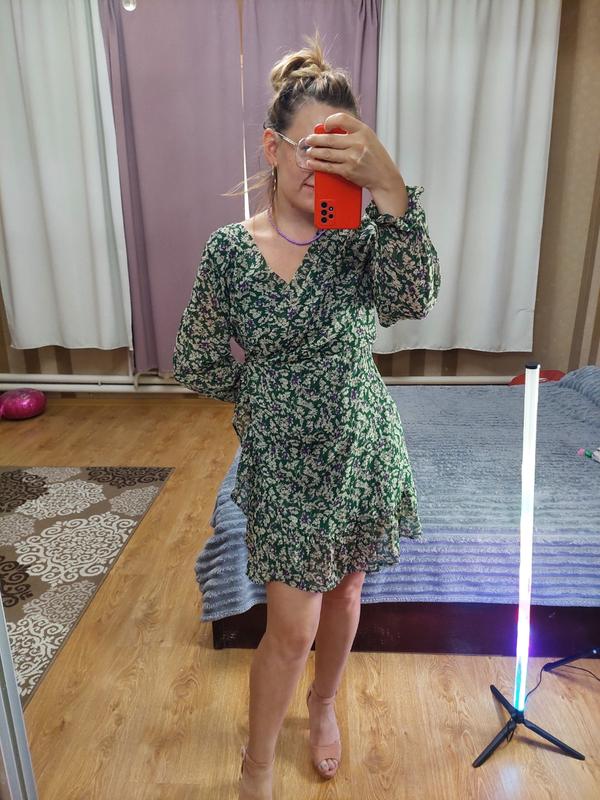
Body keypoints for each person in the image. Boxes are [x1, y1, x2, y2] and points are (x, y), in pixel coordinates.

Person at [172, 32, 441, 800]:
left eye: (342, 154)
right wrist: (267, 398)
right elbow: (195, 359)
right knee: (291, 630)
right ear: (272, 147)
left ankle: (324, 706)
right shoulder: (229, 252)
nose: (322, 169)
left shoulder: (360, 240)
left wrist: (389, 187)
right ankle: (257, 764)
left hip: (361, 447)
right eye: (310, 150)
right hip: (284, 464)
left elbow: (413, 298)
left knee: (347, 595)